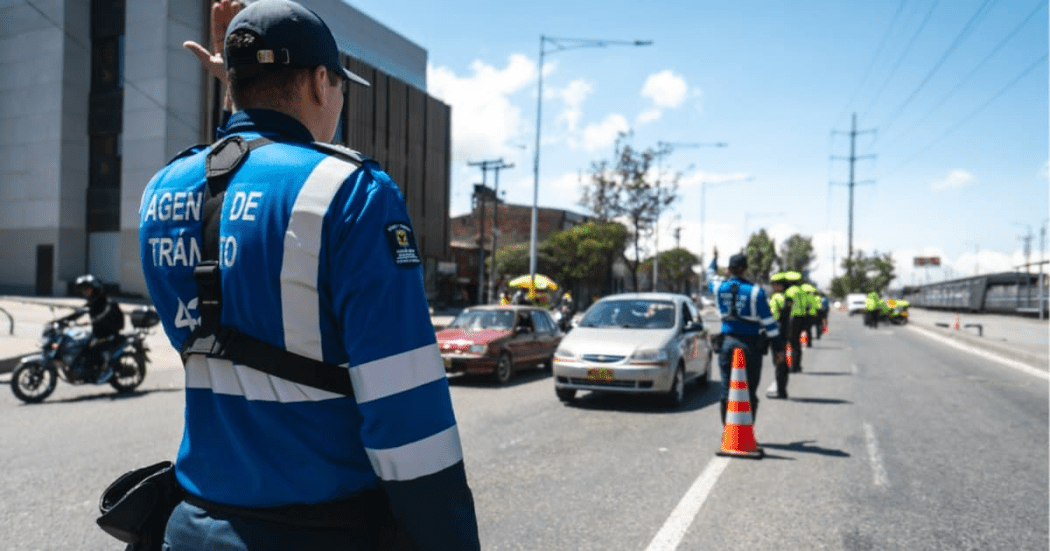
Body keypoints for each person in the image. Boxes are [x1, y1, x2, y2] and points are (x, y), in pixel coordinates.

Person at [138, 1, 479, 549]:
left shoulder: (165, 190)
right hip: (322, 530)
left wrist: (240, 83)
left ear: (237, 84)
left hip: (194, 526)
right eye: (341, 87)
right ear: (322, 82)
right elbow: (408, 415)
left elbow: (235, 171)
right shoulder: (353, 192)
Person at [706, 248, 785, 425]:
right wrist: (778, 348)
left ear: (729, 269)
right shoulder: (756, 292)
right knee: (749, 392)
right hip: (750, 347)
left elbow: (709, 274)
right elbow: (770, 324)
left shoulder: (719, 287)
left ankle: (728, 434)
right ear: (745, 269)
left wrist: (714, 258)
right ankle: (746, 434)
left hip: (727, 344)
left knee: (727, 391)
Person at [63, 274, 125, 380]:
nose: (85, 292)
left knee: (92, 350)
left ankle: (100, 371)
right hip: (97, 334)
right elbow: (80, 312)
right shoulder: (93, 302)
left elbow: (103, 315)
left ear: (96, 289)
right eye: (83, 290)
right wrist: (63, 320)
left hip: (109, 335)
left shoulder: (107, 303)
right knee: (78, 344)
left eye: (87, 289)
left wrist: (92, 321)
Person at [766, 274, 793, 399]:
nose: (772, 286)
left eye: (774, 284)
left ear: (780, 286)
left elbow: (774, 316)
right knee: (782, 361)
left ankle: (781, 391)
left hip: (777, 332)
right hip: (786, 331)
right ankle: (783, 389)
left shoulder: (776, 297)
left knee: (778, 361)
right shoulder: (787, 298)